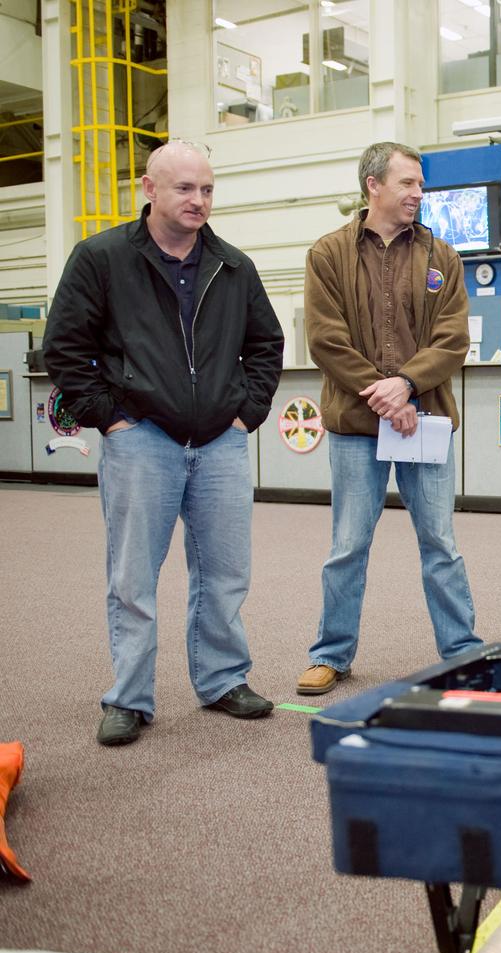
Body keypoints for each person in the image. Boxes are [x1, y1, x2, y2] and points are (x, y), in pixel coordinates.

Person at [43, 139, 284, 747]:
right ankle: (130, 697)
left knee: (225, 573)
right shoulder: (100, 258)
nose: (198, 200)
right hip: (141, 438)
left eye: (206, 189)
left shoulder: (234, 266)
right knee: (133, 576)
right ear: (149, 190)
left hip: (221, 445)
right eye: (184, 188)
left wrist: (245, 414)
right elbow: (66, 348)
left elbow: (266, 346)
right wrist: (109, 417)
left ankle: (224, 680)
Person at [296, 141, 481, 696]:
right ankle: (331, 653)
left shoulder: (442, 256)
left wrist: (405, 385)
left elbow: (453, 339)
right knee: (348, 545)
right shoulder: (327, 253)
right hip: (356, 426)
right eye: (408, 184)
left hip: (425, 420)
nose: (418, 194)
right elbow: (325, 339)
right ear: (373, 185)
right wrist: (382, 395)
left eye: (421, 185)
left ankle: (462, 651)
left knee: (441, 544)